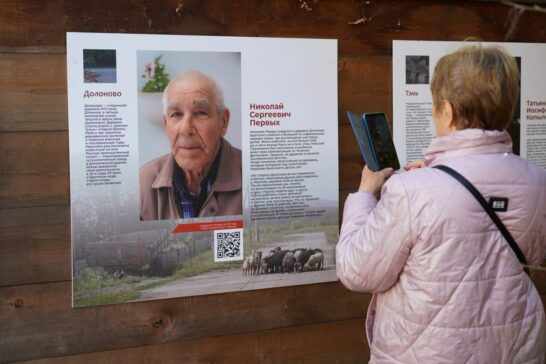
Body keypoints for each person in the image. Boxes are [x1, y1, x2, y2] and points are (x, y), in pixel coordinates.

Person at [336, 44, 546, 363]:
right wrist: (432, 179)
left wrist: (365, 194)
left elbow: (357, 270)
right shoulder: (538, 181)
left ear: (446, 110)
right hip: (514, 350)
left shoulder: (413, 190)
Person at [140, 70, 242, 220]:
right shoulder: (143, 183)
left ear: (223, 121)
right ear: (166, 124)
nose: (186, 129)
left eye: (201, 113)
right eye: (176, 114)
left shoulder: (252, 174)